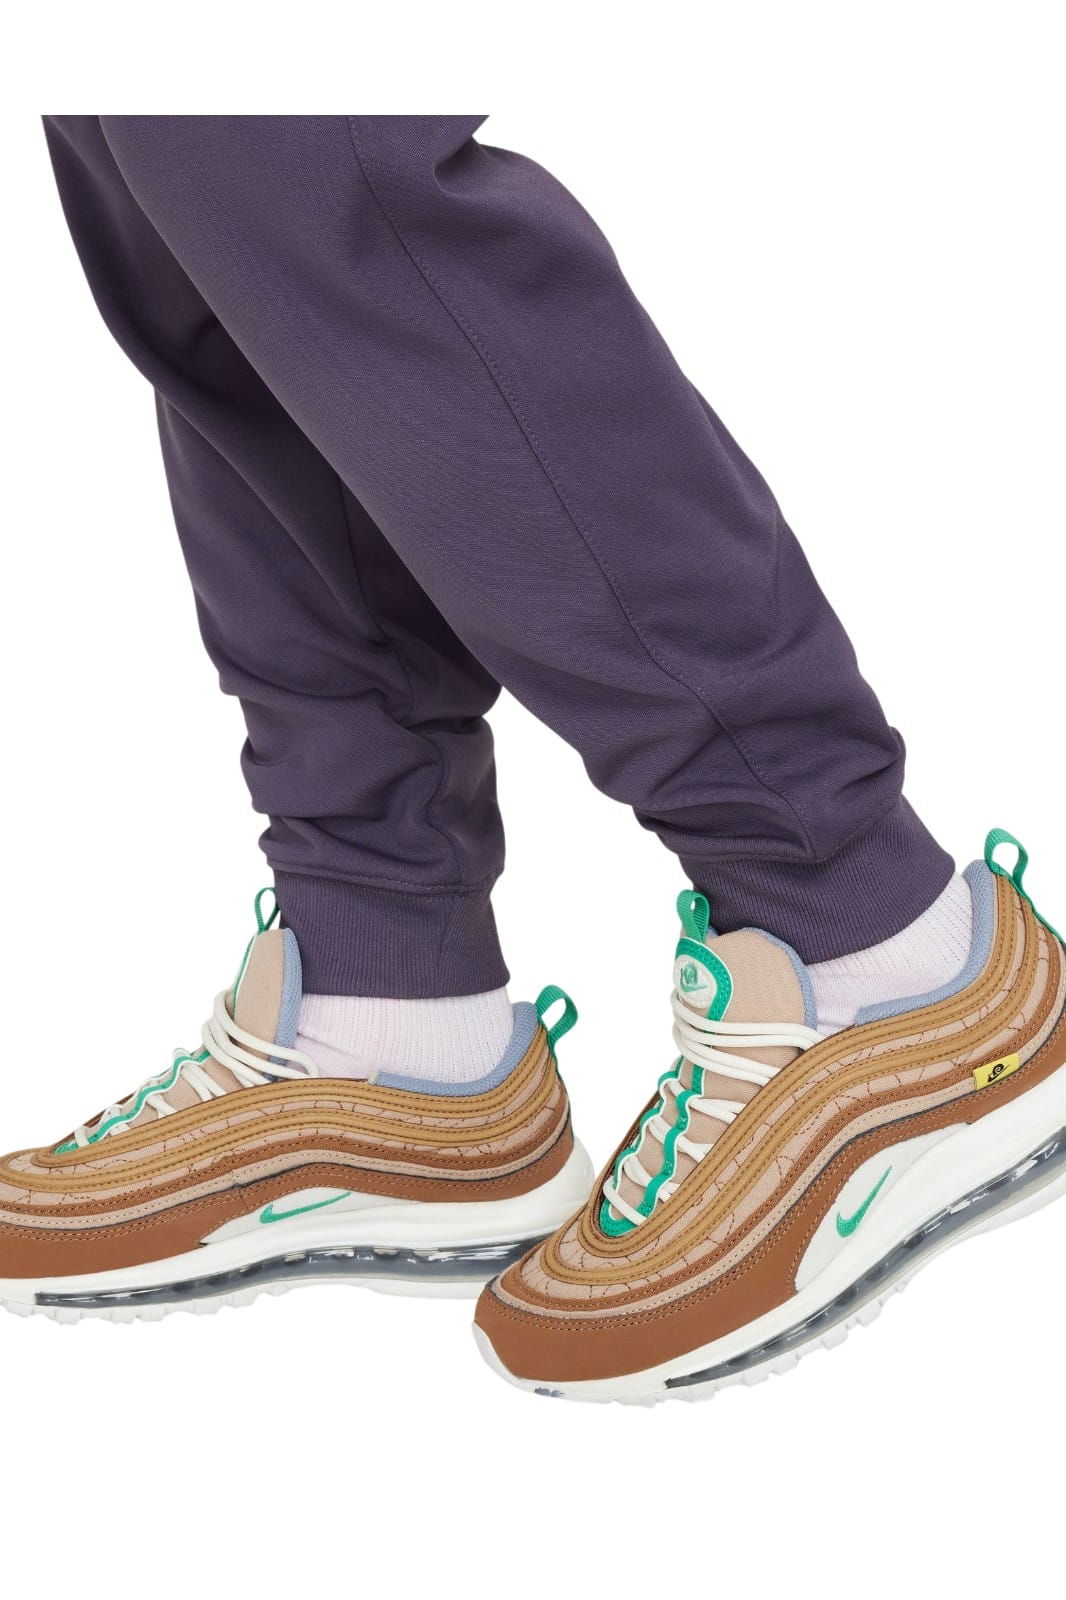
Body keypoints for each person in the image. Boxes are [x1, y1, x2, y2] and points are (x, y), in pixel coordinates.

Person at [0, 116, 1060, 1401]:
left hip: (860, 926)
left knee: (293, 149)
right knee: (174, 199)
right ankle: (388, 1006)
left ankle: (870, 933)